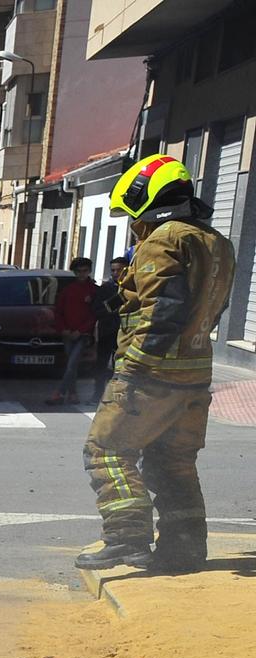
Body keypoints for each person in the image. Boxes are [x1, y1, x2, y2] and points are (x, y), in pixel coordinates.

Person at [77, 156, 236, 573]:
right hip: (196, 374)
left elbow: (161, 312)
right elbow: (207, 311)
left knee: (107, 450)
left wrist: (134, 373)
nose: (134, 226)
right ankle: (183, 550)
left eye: (133, 215)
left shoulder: (164, 240)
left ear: (145, 196)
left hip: (152, 374)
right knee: (173, 461)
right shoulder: (217, 241)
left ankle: (126, 540)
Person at [49, 256, 98, 406]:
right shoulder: (68, 290)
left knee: (72, 364)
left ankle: (59, 393)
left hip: (83, 335)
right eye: (78, 272)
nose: (81, 274)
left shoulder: (95, 291)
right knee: (73, 364)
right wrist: (63, 329)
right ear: (74, 272)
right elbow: (58, 312)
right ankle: (73, 394)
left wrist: (81, 330)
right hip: (67, 333)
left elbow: (94, 314)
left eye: (84, 271)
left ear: (89, 271)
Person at [91, 253, 126, 401]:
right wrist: (113, 306)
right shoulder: (105, 288)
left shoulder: (135, 287)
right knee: (101, 365)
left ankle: (116, 395)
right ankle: (97, 393)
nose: (115, 273)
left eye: (119, 270)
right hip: (107, 332)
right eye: (113, 270)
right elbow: (96, 310)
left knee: (120, 368)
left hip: (125, 334)